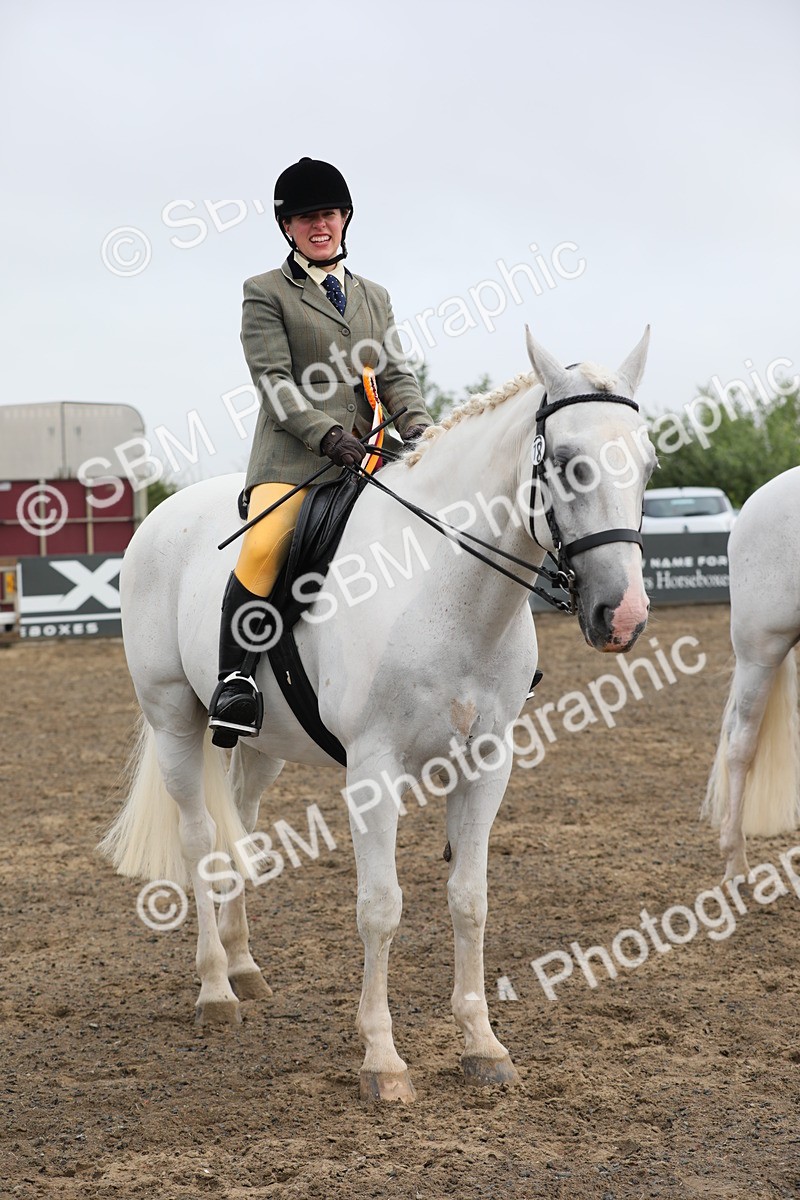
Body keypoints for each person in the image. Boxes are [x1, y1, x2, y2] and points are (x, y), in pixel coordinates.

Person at [208, 157, 433, 747]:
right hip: (295, 460)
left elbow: (396, 374)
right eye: (307, 217)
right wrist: (326, 436)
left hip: (370, 455)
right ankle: (235, 681)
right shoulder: (265, 293)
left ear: (345, 219)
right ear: (288, 227)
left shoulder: (373, 296)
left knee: (438, 525)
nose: (320, 225)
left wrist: (423, 430)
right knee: (262, 546)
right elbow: (274, 382)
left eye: (329, 214)